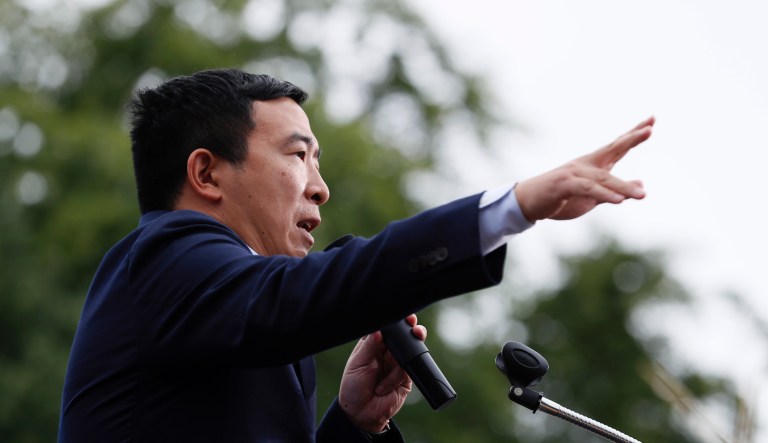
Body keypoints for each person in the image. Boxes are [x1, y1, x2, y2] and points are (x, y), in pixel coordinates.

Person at [58, 68, 654, 443]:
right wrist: (508, 208)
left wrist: (353, 423)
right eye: (298, 156)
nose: (320, 188)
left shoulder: (241, 310)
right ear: (207, 173)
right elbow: (303, 294)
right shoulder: (165, 258)